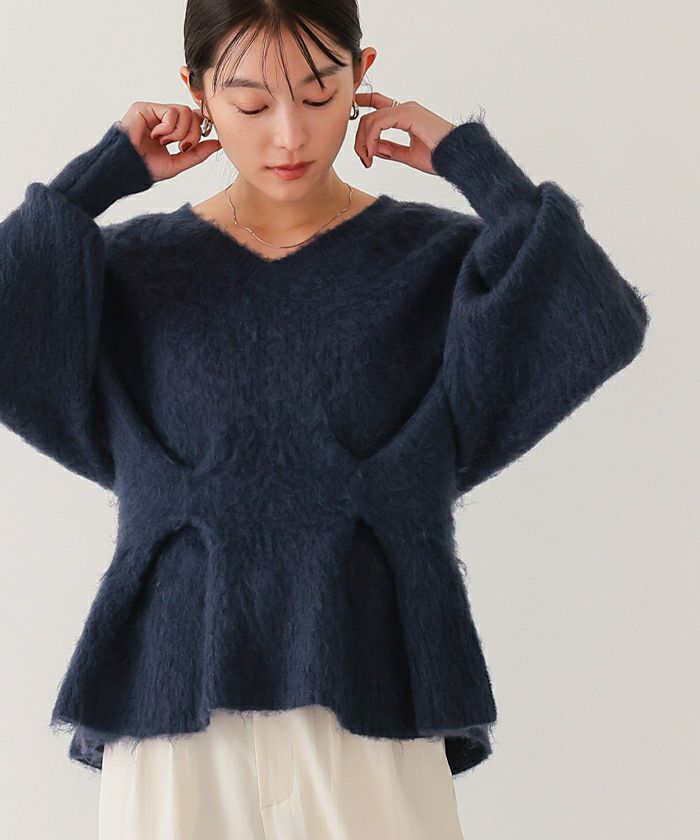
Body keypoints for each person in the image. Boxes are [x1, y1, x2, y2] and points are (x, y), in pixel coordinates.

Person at [0, 0, 650, 837]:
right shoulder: (129, 271)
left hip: (371, 711)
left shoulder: (436, 263)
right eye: (249, 102)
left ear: (361, 74)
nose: (289, 135)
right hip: (175, 716)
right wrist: (94, 180)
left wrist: (469, 160)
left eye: (318, 94)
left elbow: (596, 316)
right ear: (197, 92)